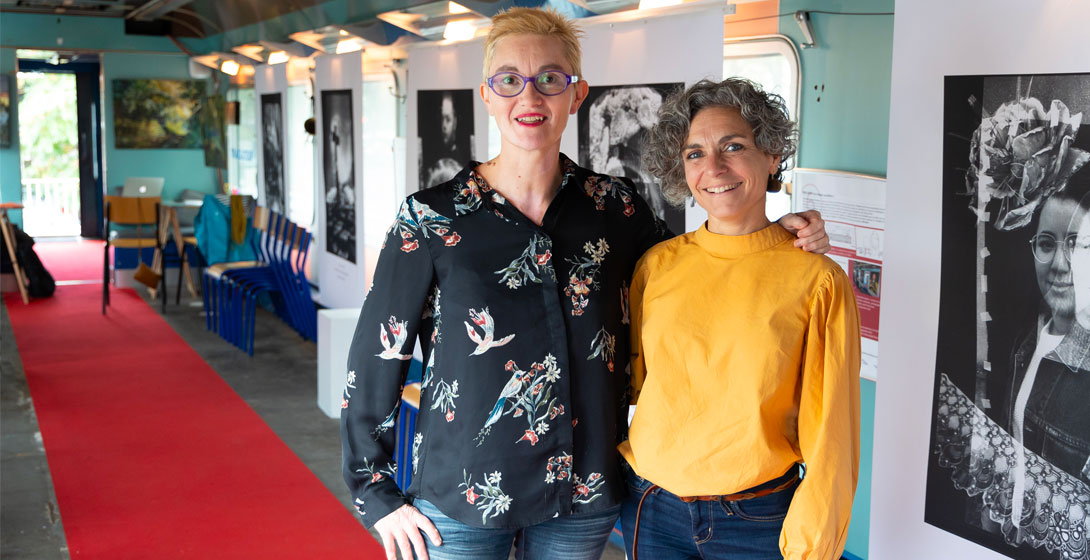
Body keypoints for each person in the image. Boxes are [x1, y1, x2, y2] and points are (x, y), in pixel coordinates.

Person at [340, 10, 830, 560]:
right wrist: (374, 492)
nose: (529, 96)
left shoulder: (615, 208)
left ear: (576, 94)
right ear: (487, 94)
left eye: (550, 78)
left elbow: (695, 268)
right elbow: (376, 355)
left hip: (584, 494)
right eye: (509, 80)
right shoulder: (432, 219)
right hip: (465, 494)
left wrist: (771, 233)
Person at [618, 78, 861, 559]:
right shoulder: (656, 266)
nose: (714, 168)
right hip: (652, 506)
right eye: (694, 154)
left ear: (771, 156)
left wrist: (814, 545)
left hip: (756, 520)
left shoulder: (817, 280)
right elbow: (640, 385)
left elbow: (833, 429)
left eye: (734, 146)